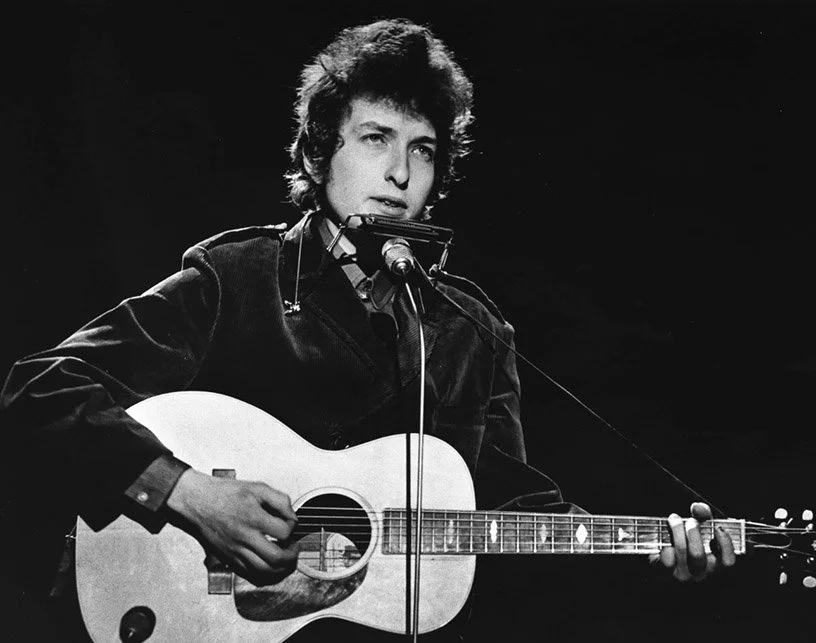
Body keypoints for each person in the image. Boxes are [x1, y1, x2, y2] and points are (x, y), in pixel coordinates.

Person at [0, 18, 734, 642]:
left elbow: (510, 507)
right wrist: (188, 491)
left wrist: (653, 543)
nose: (399, 172)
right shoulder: (241, 275)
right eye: (375, 137)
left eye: (422, 149)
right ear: (320, 154)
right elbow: (36, 388)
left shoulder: (474, 325)